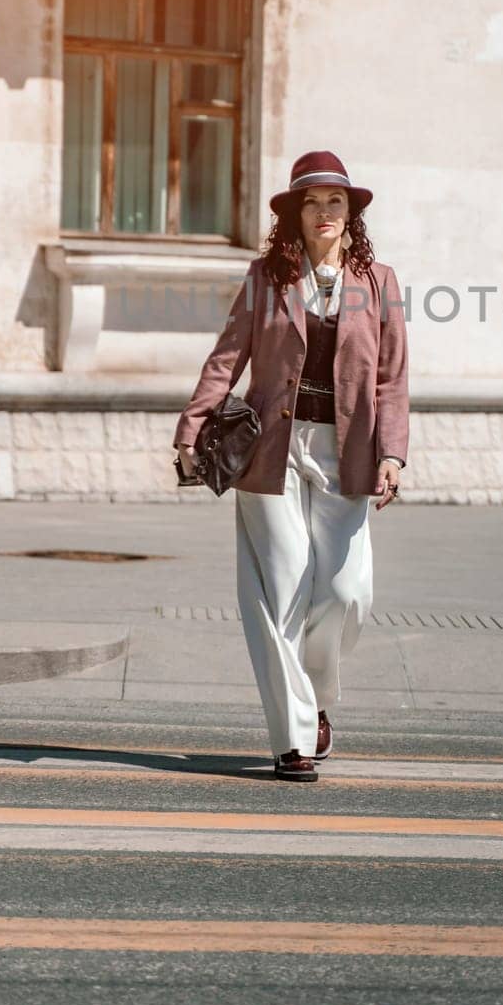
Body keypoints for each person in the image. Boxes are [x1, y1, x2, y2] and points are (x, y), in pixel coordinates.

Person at [173, 149, 410, 782]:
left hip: (345, 449)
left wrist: (392, 451)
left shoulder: (379, 282)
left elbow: (390, 379)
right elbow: (227, 357)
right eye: (312, 202)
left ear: (350, 213)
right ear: (295, 214)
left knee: (344, 593)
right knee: (279, 591)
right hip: (271, 449)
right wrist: (193, 425)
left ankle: (317, 697)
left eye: (336, 201)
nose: (325, 212)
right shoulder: (265, 278)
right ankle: (291, 738)